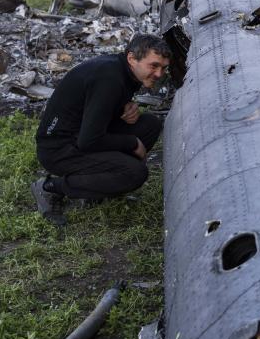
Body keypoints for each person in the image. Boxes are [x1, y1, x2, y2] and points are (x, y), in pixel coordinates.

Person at [32, 33, 172, 225]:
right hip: (58, 148)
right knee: (135, 173)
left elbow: (94, 106)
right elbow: (89, 140)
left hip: (80, 134)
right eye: (153, 66)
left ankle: (98, 186)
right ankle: (50, 188)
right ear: (132, 58)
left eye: (163, 68)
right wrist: (132, 143)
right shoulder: (110, 78)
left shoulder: (120, 69)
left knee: (149, 125)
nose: (159, 74)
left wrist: (125, 105)